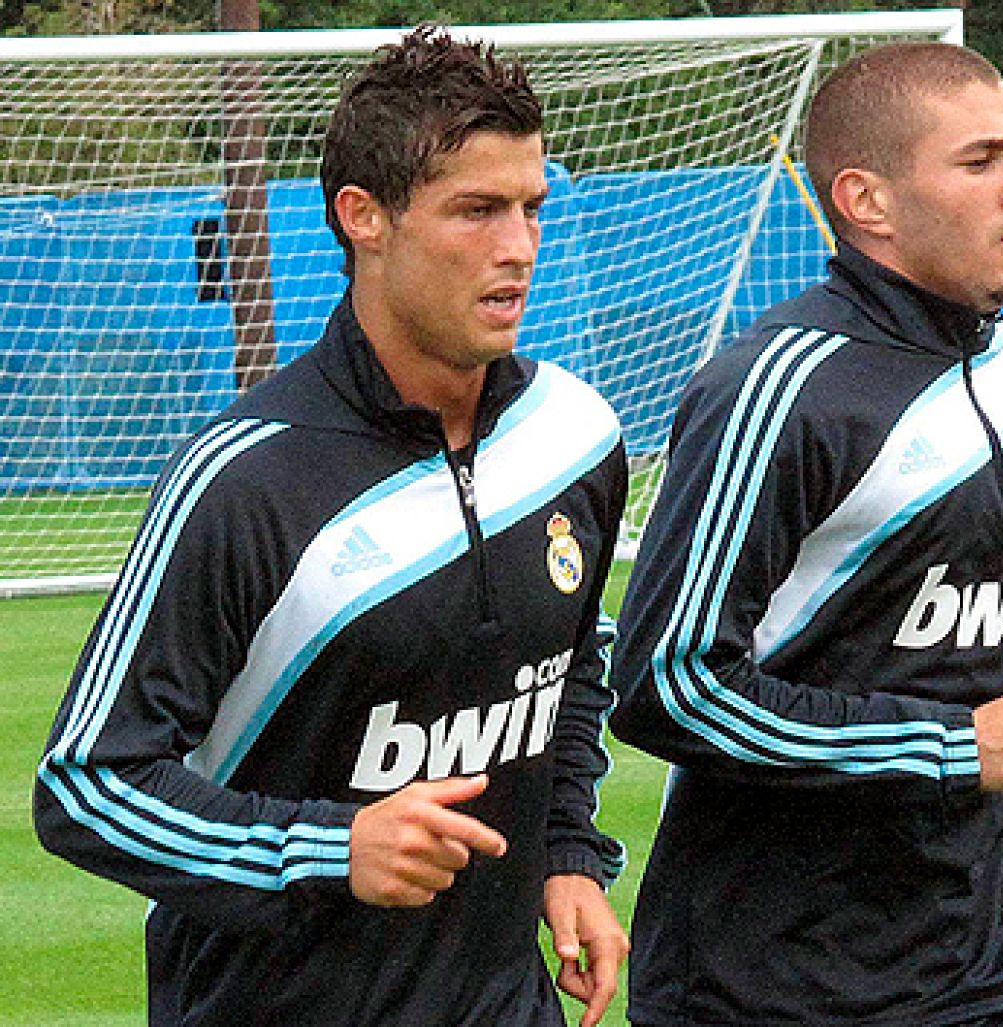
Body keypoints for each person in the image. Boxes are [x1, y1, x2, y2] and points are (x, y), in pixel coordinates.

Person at [609, 41, 1003, 1026]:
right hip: (778, 990)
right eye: (980, 161)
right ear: (867, 201)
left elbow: (959, 641)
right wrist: (950, 747)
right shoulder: (778, 391)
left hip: (986, 972)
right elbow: (669, 686)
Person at [34, 25, 628, 1027]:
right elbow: (90, 786)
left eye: (531, 207)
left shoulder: (572, 434)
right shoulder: (245, 481)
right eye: (475, 210)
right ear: (366, 218)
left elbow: (567, 673)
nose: (518, 246)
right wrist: (326, 849)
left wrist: (566, 851)